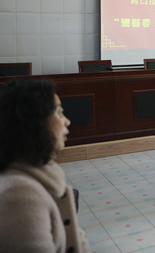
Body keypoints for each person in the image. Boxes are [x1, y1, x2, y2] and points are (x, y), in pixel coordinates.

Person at [0, 79, 90, 253]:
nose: (67, 121)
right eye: (59, 112)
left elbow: (75, 237)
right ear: (33, 122)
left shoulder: (42, 173)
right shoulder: (19, 195)